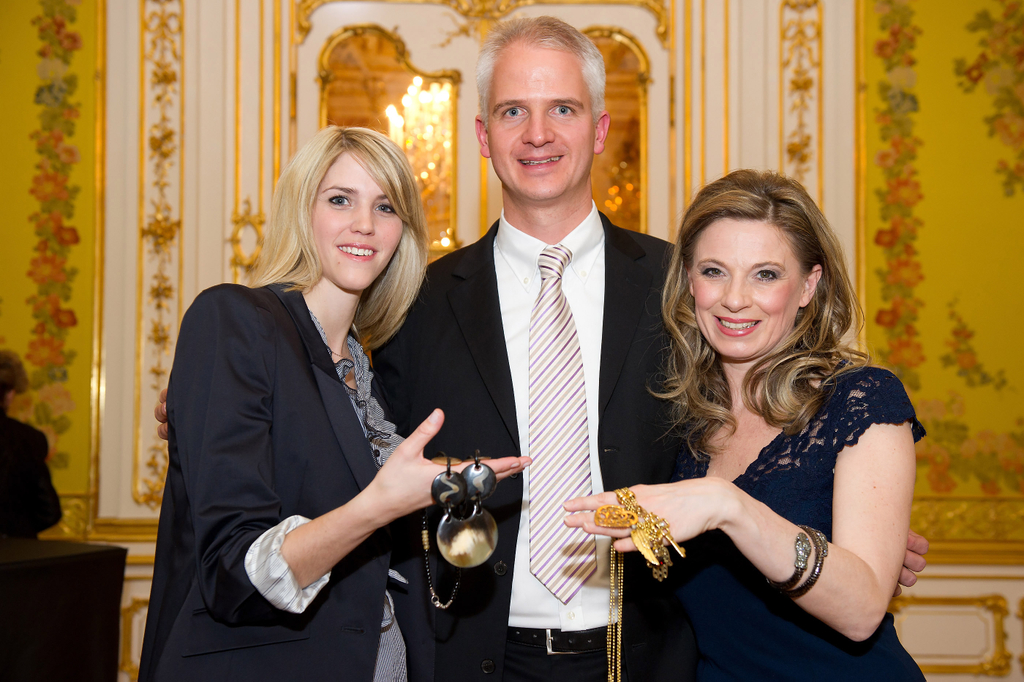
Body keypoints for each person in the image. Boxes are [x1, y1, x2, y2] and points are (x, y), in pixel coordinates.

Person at [152, 18, 926, 681]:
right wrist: (215, 400)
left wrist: (838, 526)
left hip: (649, 656)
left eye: (562, 108)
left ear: (599, 129)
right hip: (466, 655)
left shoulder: (686, 289)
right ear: (483, 136)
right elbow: (345, 440)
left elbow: (761, 415)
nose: (538, 134)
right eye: (513, 111)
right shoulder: (412, 299)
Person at [137, 126, 529, 682]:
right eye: (340, 199)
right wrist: (378, 505)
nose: (365, 224)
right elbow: (233, 574)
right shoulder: (235, 320)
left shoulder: (369, 372)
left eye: (385, 207)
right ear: (303, 210)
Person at [565, 169, 925, 680]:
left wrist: (729, 505)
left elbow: (863, 610)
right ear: (688, 280)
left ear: (809, 285)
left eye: (766, 274)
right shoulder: (675, 416)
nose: (735, 298)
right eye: (714, 271)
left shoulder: (859, 398)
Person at [0, 350, 62, 539]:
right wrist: (17, 529)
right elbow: (50, 511)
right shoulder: (29, 439)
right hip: (16, 551)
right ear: (10, 394)